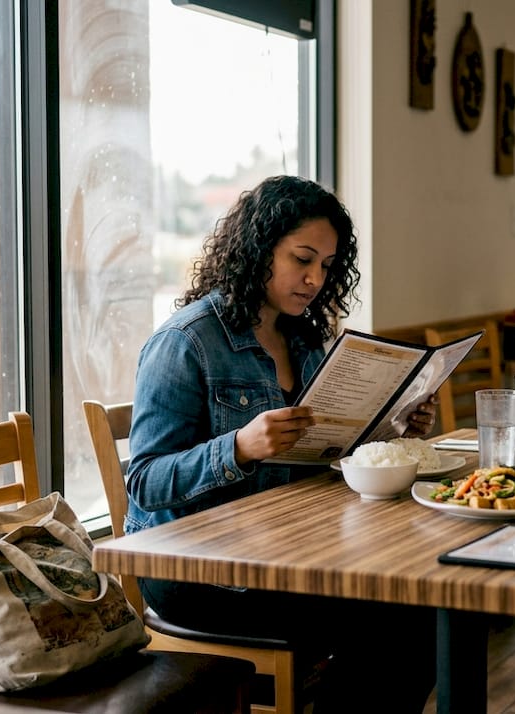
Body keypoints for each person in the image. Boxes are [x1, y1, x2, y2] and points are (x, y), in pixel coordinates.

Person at [125, 175, 438, 712]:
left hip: (283, 548)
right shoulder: (186, 342)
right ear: (257, 250)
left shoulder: (304, 337)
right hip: (197, 572)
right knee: (399, 616)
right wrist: (239, 448)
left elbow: (325, 449)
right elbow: (145, 481)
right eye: (302, 259)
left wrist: (393, 427)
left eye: (327, 266)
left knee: (418, 606)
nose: (316, 279)